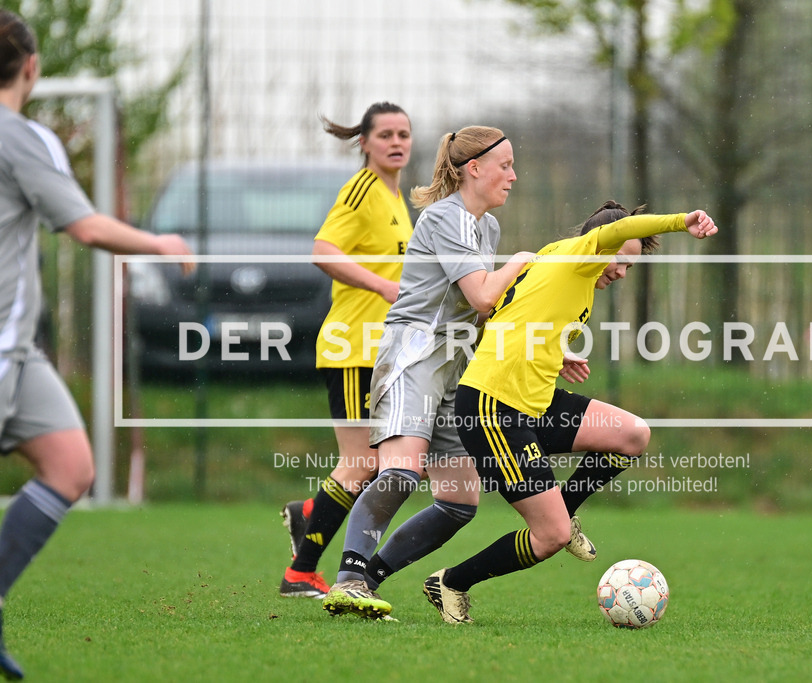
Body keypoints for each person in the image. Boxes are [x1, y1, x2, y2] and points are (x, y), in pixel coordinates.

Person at [0, 10, 195, 678]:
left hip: (17, 351)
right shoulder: (22, 136)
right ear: (32, 68)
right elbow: (84, 228)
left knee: (71, 465)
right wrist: (160, 243)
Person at [420, 200, 717, 624]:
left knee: (632, 434)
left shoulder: (560, 262)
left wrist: (554, 356)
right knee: (551, 536)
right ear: (603, 243)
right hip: (493, 407)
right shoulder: (582, 255)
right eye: (620, 260)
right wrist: (681, 222)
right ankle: (452, 582)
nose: (620, 272)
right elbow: (620, 231)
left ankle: (567, 508)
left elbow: (509, 315)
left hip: (533, 402)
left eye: (630, 268)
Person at [321, 126, 550, 619]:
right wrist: (522, 263)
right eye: (505, 165)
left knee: (459, 500)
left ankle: (366, 580)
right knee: (400, 472)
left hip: (457, 362)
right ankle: (346, 579)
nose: (513, 175)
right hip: (415, 354)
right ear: (474, 168)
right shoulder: (447, 217)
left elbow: (488, 311)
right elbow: (484, 295)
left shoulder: (485, 227)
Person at [277, 103, 415, 600]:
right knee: (362, 465)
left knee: (375, 467)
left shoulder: (396, 198)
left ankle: (310, 517)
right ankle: (301, 572)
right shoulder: (361, 190)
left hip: (383, 353)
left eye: (403, 133)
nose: (396, 142)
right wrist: (380, 285)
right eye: (385, 134)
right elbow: (323, 251)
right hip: (353, 347)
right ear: (365, 142)